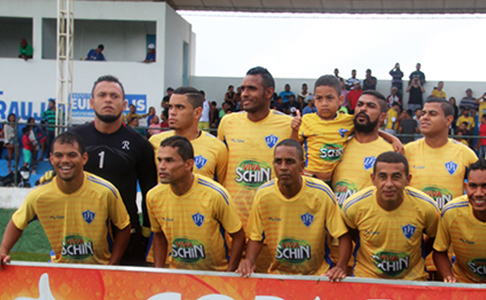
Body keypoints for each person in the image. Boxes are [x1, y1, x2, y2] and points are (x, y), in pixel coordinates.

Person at [0, 132, 130, 269]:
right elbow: (17, 223)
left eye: (72, 155)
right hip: (58, 269)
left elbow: (124, 226)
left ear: (84, 158)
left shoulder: (105, 191)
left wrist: (112, 266)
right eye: (58, 155)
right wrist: (2, 252)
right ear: (51, 159)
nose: (65, 160)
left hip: (99, 270)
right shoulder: (38, 196)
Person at [71, 75, 157, 266]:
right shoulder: (74, 139)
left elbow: (150, 194)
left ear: (124, 104)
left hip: (126, 233)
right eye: (102, 95)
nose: (108, 100)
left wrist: (145, 234)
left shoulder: (140, 144)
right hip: (80, 230)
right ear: (92, 102)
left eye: (114, 96)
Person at [237, 140, 351, 280]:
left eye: (290, 162)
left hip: (317, 276)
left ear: (302, 166)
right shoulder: (263, 195)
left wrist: (340, 266)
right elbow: (256, 237)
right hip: (279, 276)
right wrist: (249, 260)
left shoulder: (321, 193)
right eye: (278, 162)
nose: (283, 167)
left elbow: (343, 235)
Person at [217, 66, 293, 271]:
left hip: (271, 231)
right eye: (243, 89)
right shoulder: (228, 122)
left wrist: (389, 137)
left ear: (269, 93)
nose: (244, 94)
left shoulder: (288, 125)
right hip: (232, 229)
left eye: (251, 88)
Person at [147, 135, 245, 271]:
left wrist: (229, 274)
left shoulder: (215, 194)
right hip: (178, 275)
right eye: (160, 160)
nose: (162, 166)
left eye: (169, 161)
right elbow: (159, 235)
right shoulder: (153, 196)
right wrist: (159, 272)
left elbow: (238, 235)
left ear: (189, 164)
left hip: (215, 275)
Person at [342, 152, 439, 281]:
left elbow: (433, 237)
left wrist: (416, 254)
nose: (388, 184)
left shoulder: (427, 207)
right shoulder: (353, 206)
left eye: (396, 177)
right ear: (373, 179)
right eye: (382, 177)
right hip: (366, 278)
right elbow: (350, 234)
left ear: (408, 180)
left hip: (412, 280)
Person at [291, 76, 400, 182]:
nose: (324, 103)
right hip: (308, 177)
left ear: (340, 100)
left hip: (331, 181)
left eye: (329, 98)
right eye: (319, 98)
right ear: (314, 100)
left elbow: (370, 129)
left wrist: (393, 139)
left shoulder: (347, 121)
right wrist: (294, 130)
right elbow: (294, 147)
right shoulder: (306, 120)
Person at [404, 97, 478, 210]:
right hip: (416, 225)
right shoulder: (407, 151)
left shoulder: (466, 154)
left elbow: (478, 191)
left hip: (451, 224)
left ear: (448, 120)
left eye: (432, 114)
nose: (424, 117)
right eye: (423, 113)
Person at [150, 86, 228, 183]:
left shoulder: (217, 147)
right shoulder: (155, 142)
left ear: (197, 113)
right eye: (170, 107)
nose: (172, 112)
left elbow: (222, 188)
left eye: (180, 107)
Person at [332, 91, 394, 207]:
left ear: (382, 116)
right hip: (336, 222)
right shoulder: (339, 145)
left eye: (371, 106)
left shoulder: (389, 152)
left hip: (368, 222)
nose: (363, 109)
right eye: (360, 105)